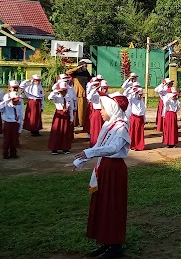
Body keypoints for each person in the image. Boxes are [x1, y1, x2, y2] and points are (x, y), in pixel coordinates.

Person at [72, 93, 130, 259]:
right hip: (104, 167)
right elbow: (99, 146)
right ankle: (106, 242)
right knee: (103, 205)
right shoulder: (108, 125)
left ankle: (115, 245)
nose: (100, 111)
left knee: (112, 206)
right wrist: (80, 161)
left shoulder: (121, 127)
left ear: (113, 108)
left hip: (114, 170)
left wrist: (89, 152)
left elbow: (113, 148)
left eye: (103, 108)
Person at [48, 82, 75, 155]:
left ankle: (65, 148)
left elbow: (71, 108)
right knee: (56, 131)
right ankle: (54, 148)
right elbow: (49, 98)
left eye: (65, 90)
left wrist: (71, 119)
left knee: (66, 132)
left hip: (66, 115)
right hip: (59, 115)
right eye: (63, 90)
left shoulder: (69, 97)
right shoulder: (57, 97)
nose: (64, 92)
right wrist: (56, 91)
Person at [0, 91, 24, 159]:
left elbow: (20, 116)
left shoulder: (18, 106)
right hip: (8, 124)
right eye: (15, 100)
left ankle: (13, 153)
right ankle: (5, 153)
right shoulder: (6, 106)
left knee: (14, 140)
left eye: (17, 100)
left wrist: (20, 127)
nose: (16, 102)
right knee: (7, 140)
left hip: (15, 124)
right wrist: (7, 100)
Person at [87, 80, 109, 147]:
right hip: (97, 113)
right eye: (104, 88)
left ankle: (102, 143)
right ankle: (95, 143)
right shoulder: (95, 94)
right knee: (96, 129)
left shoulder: (107, 94)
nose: (105, 90)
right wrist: (95, 90)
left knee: (104, 128)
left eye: (106, 88)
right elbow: (88, 97)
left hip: (105, 113)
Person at [126, 84, 146, 151]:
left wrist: (144, 119)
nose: (140, 96)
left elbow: (144, 111)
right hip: (134, 117)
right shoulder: (132, 100)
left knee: (139, 132)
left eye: (141, 95)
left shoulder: (142, 101)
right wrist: (133, 90)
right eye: (139, 94)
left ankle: (139, 145)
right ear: (136, 94)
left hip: (140, 118)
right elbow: (126, 94)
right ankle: (132, 145)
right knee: (133, 132)